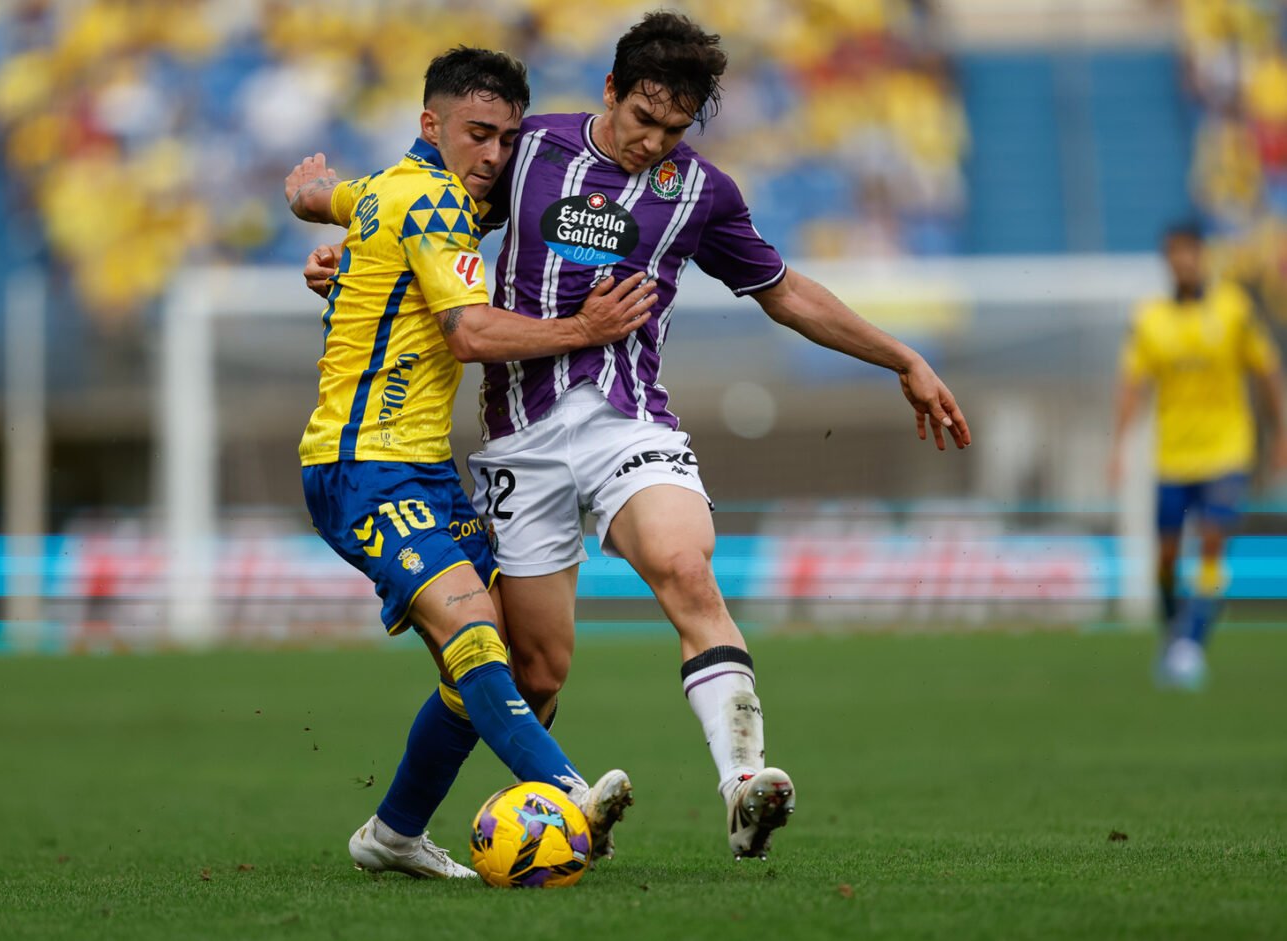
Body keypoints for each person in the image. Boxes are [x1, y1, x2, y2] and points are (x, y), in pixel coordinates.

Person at [304, 12, 971, 861]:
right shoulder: (529, 150)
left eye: (674, 129)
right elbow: (421, 205)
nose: (653, 143)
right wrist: (345, 245)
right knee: (535, 669)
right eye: (641, 120)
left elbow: (786, 292)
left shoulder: (702, 194)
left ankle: (743, 783)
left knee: (684, 564)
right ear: (610, 91)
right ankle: (410, 827)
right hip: (518, 438)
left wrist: (900, 357)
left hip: (628, 418)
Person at [284, 46, 657, 879]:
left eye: (505, 139)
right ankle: (567, 794)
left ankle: (393, 835)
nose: (493, 156)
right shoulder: (430, 204)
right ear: (432, 125)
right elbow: (472, 334)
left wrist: (319, 208)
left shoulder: (399, 188)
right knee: (475, 633)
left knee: (508, 670)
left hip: (422, 468)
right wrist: (583, 331)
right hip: (360, 463)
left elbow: (344, 197)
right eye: (477, 134)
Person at [1109, 222, 1286, 689]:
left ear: (1202, 256)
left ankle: (1190, 644)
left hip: (1228, 449)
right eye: (1173, 254)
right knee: (1166, 559)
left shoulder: (1234, 309)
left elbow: (1266, 371)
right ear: (1166, 260)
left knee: (1211, 542)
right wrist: (1119, 446)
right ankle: (1175, 635)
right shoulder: (1150, 318)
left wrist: (1282, 432)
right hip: (1172, 456)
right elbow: (1133, 385)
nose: (1182, 262)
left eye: (1189, 252)